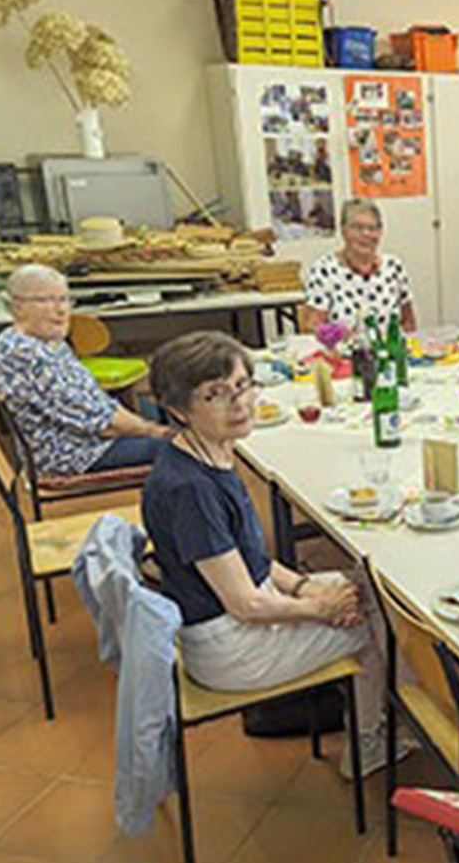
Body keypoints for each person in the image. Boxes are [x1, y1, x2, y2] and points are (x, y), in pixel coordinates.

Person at [140, 331, 404, 780]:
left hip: (238, 617)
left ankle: (376, 721)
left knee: (370, 582)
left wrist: (305, 587)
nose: (239, 402)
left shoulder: (210, 453)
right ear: (179, 410)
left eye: (243, 385)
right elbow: (247, 603)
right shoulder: (191, 490)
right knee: (379, 622)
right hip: (231, 646)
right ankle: (372, 742)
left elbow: (250, 559)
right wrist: (318, 607)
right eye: (215, 394)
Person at [0, 263, 170, 476]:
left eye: (65, 299)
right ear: (18, 306)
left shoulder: (44, 341)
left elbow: (93, 403)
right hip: (76, 455)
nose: (62, 309)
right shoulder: (27, 354)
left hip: (88, 439)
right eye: (47, 300)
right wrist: (155, 431)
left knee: (172, 415)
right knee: (191, 448)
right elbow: (102, 424)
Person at [304, 198, 416, 334]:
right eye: (357, 228)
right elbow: (314, 325)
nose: (366, 234)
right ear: (343, 230)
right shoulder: (324, 270)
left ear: (380, 232)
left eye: (372, 228)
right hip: (342, 352)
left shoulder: (394, 267)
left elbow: (408, 323)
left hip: (390, 352)